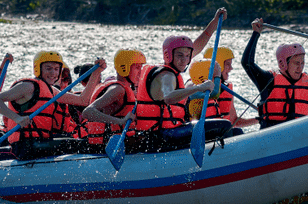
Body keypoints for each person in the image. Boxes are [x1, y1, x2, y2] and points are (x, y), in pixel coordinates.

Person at [134, 8, 230, 149]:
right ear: (168, 56)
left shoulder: (174, 66)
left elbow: (198, 44)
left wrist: (215, 22)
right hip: (162, 136)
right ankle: (222, 160)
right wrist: (199, 87)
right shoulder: (166, 75)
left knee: (236, 131)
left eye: (187, 56)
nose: (185, 60)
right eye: (180, 55)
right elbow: (168, 98)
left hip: (168, 131)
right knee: (224, 125)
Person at [0, 50, 104, 159]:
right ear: (38, 69)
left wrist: (96, 73)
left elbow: (83, 100)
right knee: (77, 145)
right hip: (25, 146)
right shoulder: (28, 86)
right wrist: (16, 118)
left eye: (57, 69)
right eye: (48, 68)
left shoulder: (51, 90)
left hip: (41, 142)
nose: (53, 73)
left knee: (71, 140)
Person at [242, 18, 308, 129]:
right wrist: (256, 33)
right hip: (272, 137)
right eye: (296, 63)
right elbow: (247, 62)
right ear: (283, 63)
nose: (300, 67)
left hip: (299, 138)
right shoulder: (268, 80)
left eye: (302, 62)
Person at [81, 49, 146, 149]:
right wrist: (120, 121)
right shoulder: (118, 89)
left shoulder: (128, 89)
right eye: (137, 68)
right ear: (124, 68)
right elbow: (87, 112)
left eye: (141, 67)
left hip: (122, 144)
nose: (141, 72)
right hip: (107, 148)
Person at [202, 46, 259, 131]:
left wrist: (261, 119)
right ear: (218, 65)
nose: (231, 68)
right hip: (207, 136)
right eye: (228, 64)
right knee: (237, 131)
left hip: (223, 134)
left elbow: (234, 122)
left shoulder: (227, 88)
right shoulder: (198, 87)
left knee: (237, 131)